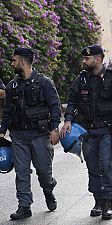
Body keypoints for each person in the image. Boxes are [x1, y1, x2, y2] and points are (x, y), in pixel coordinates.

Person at [60, 45, 112, 220]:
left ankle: (108, 202)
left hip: (106, 131)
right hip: (87, 132)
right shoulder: (81, 80)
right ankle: (98, 200)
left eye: (87, 59)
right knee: (93, 168)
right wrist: (67, 120)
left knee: (107, 167)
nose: (84, 61)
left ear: (97, 59)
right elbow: (72, 101)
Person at [0, 47, 61, 219]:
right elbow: (8, 111)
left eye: (14, 60)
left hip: (40, 135)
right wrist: (2, 130)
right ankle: (24, 206)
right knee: (21, 172)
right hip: (19, 136)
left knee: (44, 172)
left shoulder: (44, 83)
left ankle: (48, 190)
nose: (11, 63)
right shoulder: (12, 85)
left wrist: (55, 128)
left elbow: (55, 107)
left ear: (22, 61)